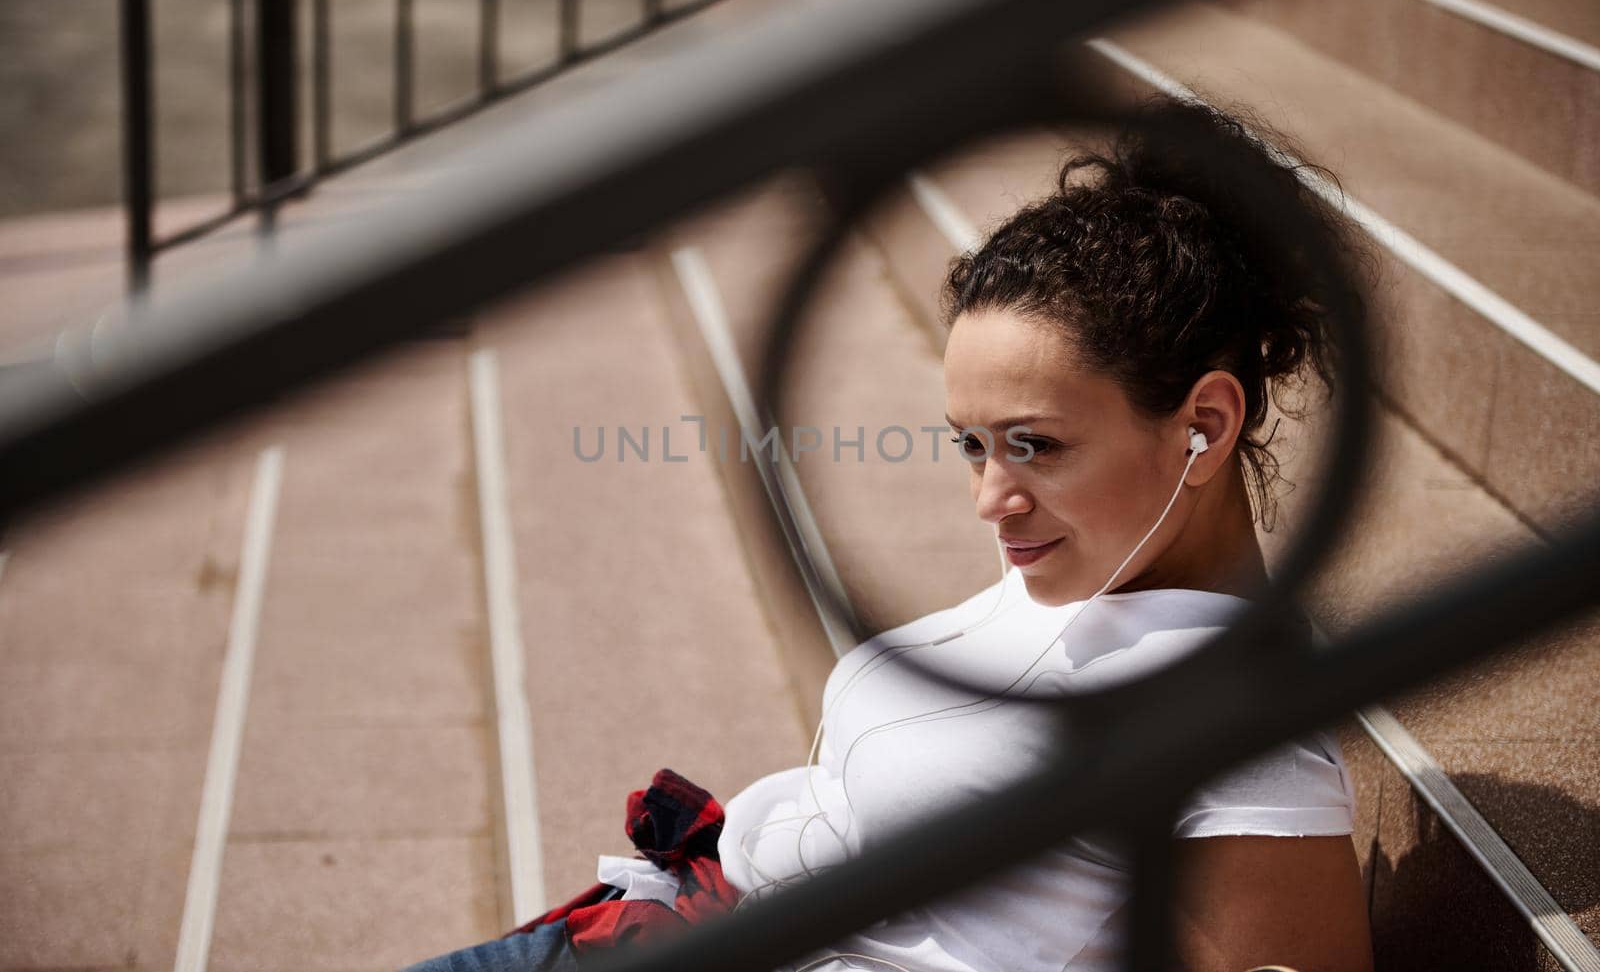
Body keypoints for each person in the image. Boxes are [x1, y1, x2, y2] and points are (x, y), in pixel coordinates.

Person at [402, 96, 1376, 972]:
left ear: (1204, 425)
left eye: (1034, 446)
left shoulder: (1234, 706)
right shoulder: (1091, 571)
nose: (990, 498)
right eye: (973, 445)